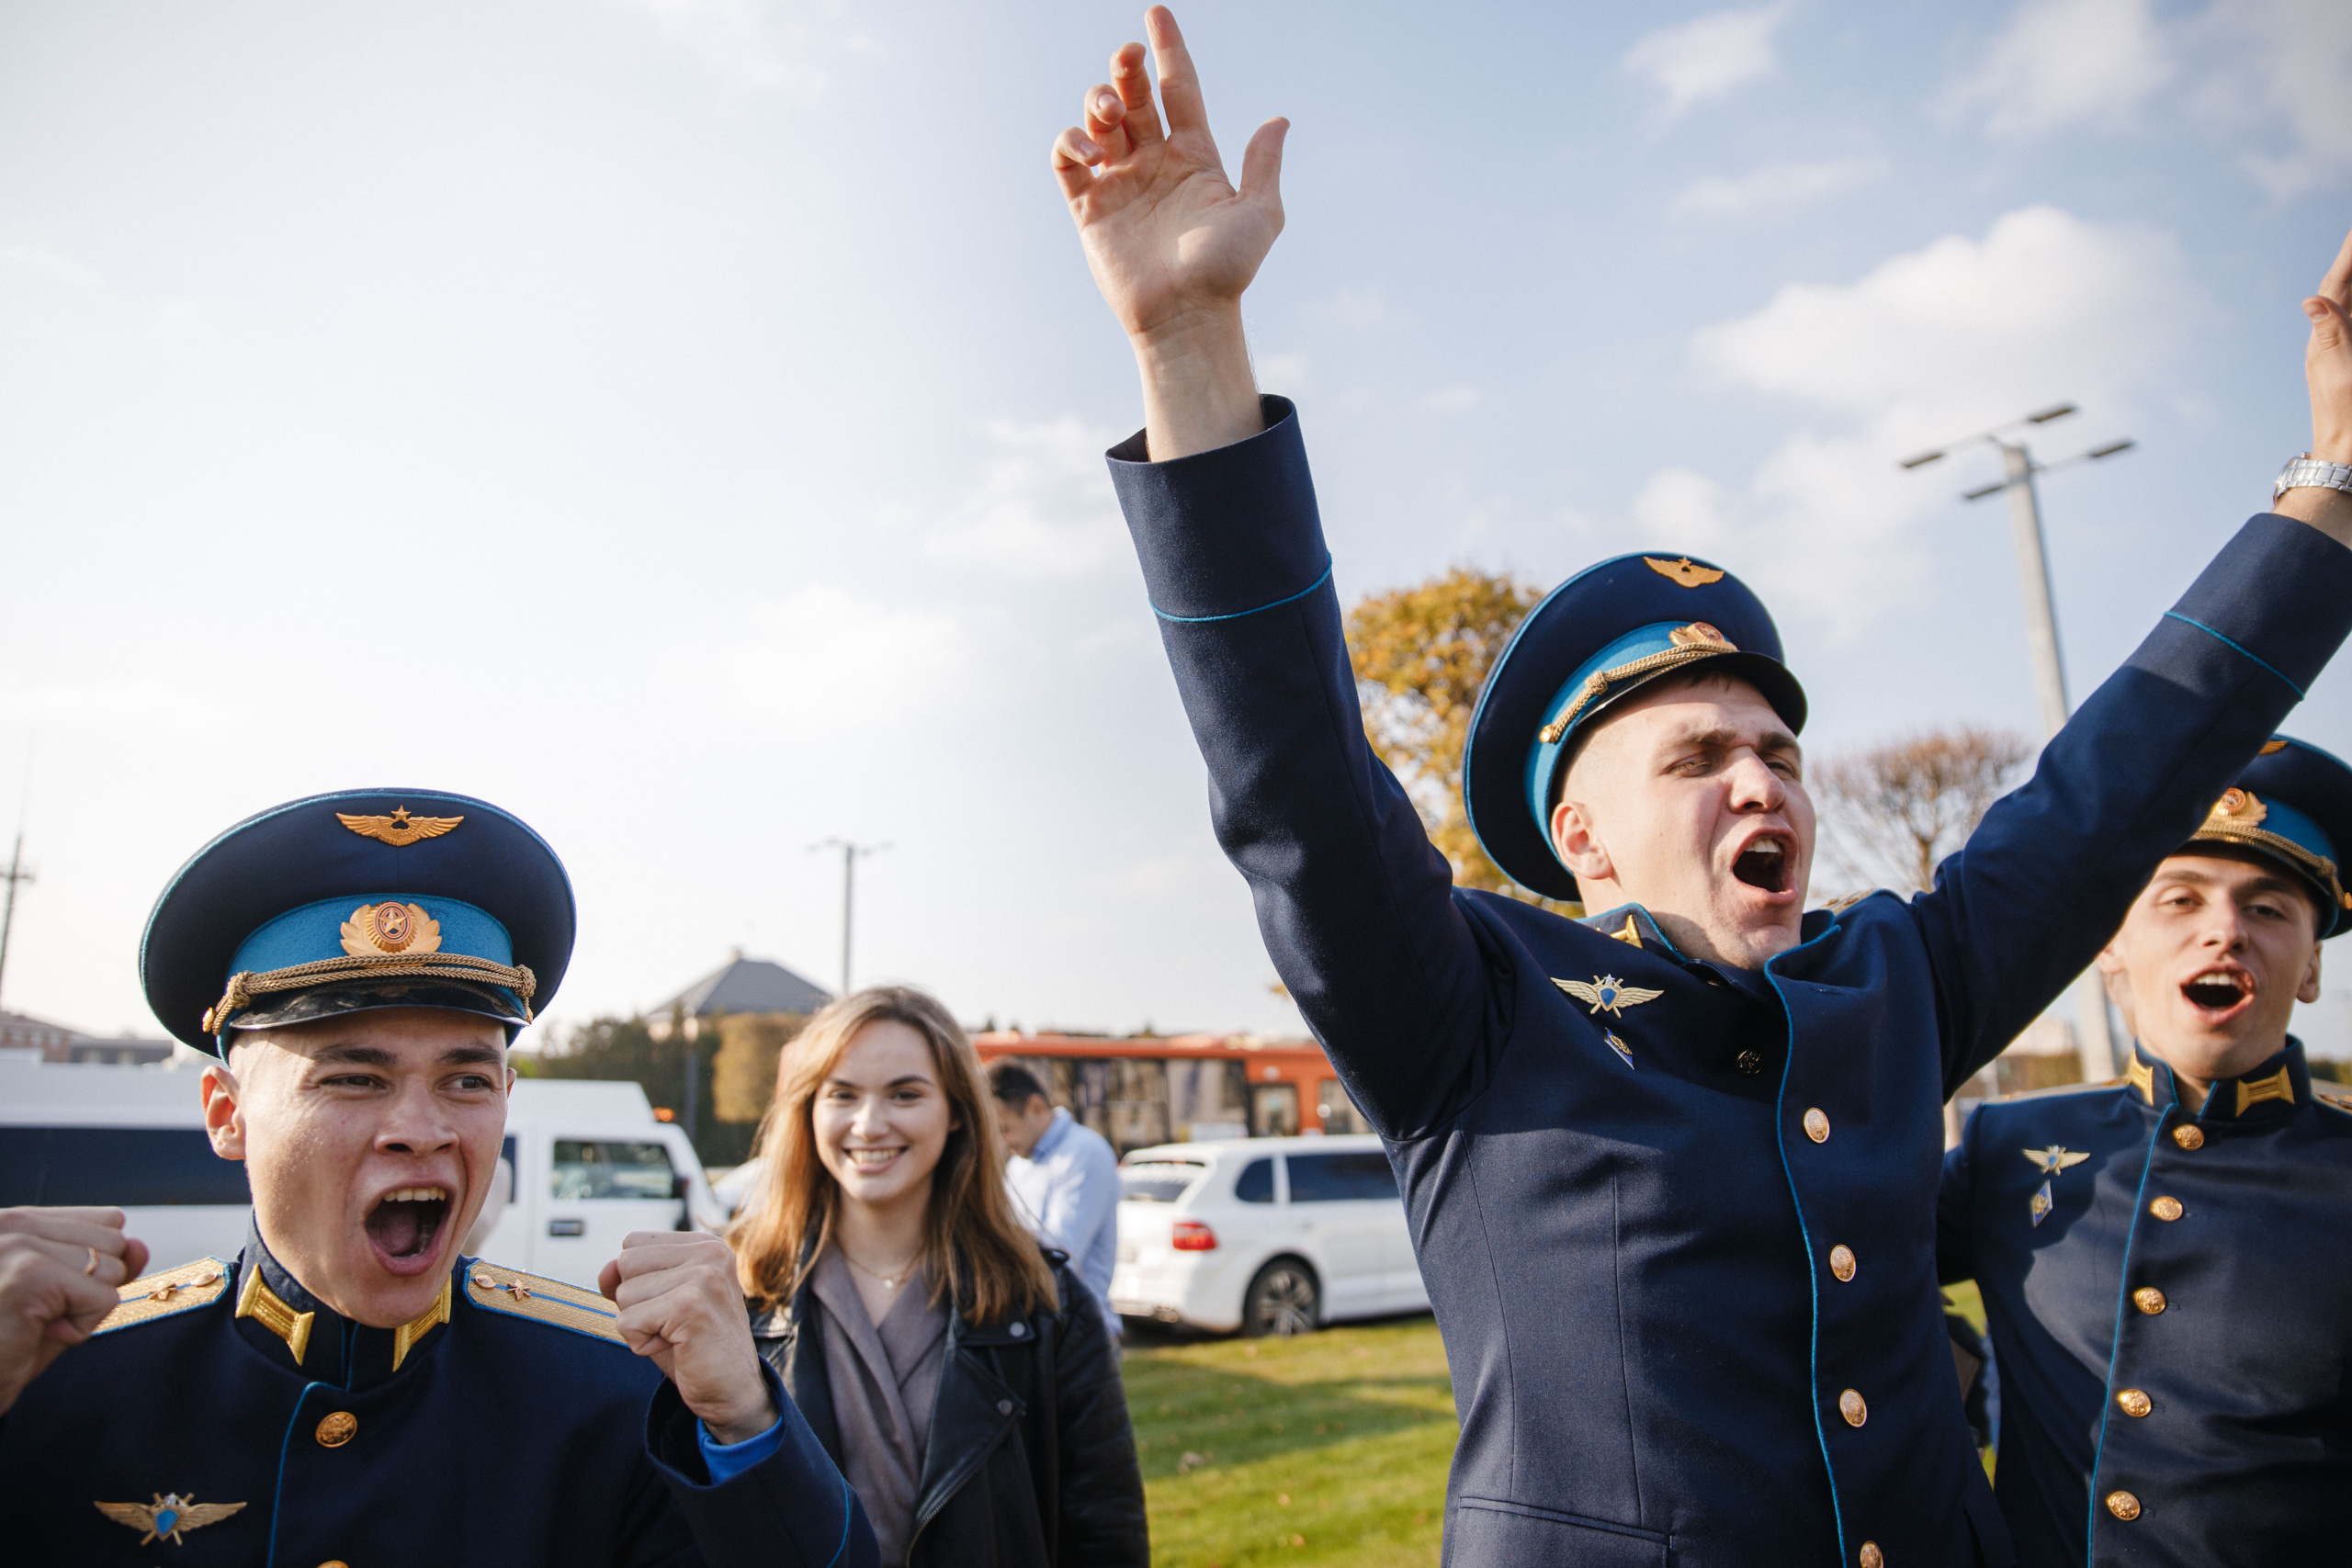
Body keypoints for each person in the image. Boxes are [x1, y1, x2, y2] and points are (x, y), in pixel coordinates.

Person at [1046, 10, 2352, 1564]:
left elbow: (2116, 787)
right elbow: (1295, 784)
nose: (1764, 781)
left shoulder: (1894, 987)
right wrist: (1191, 345)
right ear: (1580, 836)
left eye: (1781, 752)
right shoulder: (1475, 1005)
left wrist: (2331, 484)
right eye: (1699, 756)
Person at [0, 788, 876, 1564]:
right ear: (227, 1113)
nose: (421, 1129)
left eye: (466, 1078)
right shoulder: (57, 1385)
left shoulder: (616, 1403)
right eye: (354, 1077)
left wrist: (749, 1421)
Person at [1939, 737, 2352, 1564]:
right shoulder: (2007, 1145)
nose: (2224, 931)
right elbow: (1829, 1254)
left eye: (2268, 909)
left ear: (2310, 966)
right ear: (2109, 945)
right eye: (2179, 900)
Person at [729, 987, 1146, 1568]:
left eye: (905, 1094)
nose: (870, 1124)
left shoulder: (1046, 1303)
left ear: (956, 1111)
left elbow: (1105, 1531)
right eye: (843, 1094)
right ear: (809, 1109)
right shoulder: (746, 1292)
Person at [989, 1062, 1123, 1338]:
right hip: (1039, 1332)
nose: (1003, 1142)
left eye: (1005, 1129)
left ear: (1036, 1107)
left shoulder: (1085, 1153)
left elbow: (1060, 1256)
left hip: (1081, 1339)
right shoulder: (1019, 1164)